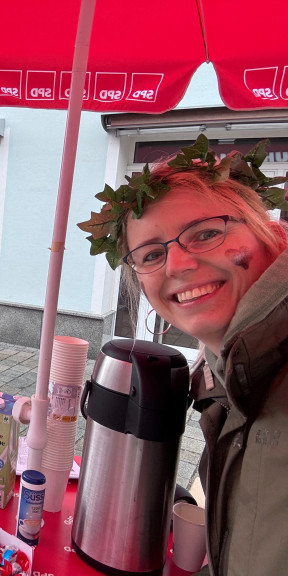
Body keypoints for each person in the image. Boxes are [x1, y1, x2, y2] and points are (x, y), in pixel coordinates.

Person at [78, 134, 288, 576]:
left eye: (206, 233)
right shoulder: (227, 373)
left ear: (266, 228)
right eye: (152, 254)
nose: (177, 266)